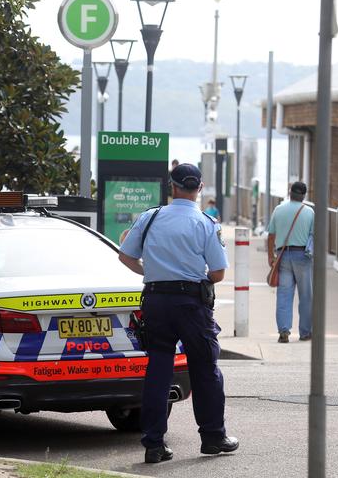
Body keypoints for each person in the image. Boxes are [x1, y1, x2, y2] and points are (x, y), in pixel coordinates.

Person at [119, 163, 238, 463]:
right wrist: (198, 281)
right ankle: (213, 437)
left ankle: (154, 445)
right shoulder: (206, 222)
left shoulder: (151, 217)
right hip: (191, 305)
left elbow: (125, 255)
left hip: (157, 301)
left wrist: (151, 272)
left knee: (158, 371)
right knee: (205, 369)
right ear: (199, 189)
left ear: (171, 187)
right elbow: (219, 273)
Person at [267, 181, 314, 343]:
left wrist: (270, 257)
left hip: (283, 256)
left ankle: (284, 331)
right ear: (304, 196)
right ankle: (305, 332)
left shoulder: (278, 210)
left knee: (284, 295)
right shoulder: (309, 212)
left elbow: (271, 235)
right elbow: (313, 237)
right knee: (306, 296)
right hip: (303, 256)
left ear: (290, 192)